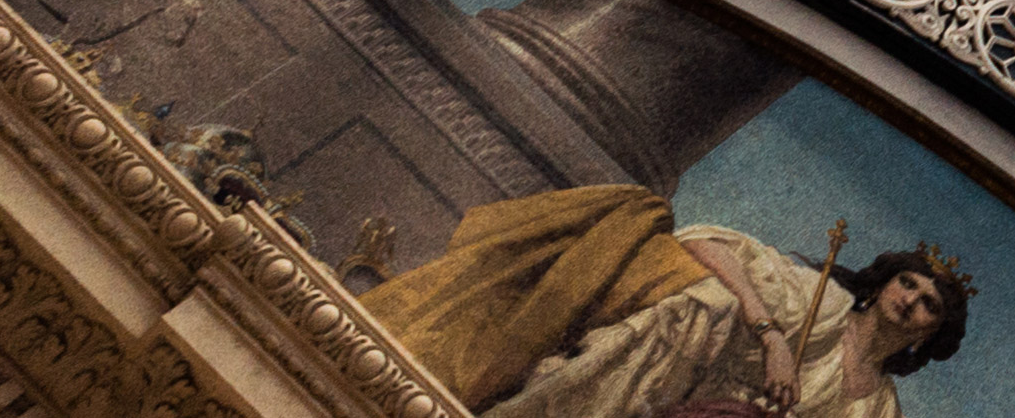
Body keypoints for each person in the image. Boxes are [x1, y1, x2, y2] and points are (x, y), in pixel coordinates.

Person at [367, 189, 973, 418]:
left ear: (929, 335)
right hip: (666, 395)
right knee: (704, 304)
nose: (911, 300)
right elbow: (705, 242)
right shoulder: (821, 304)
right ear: (883, 285)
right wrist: (770, 336)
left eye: (928, 305)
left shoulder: (879, 409)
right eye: (908, 284)